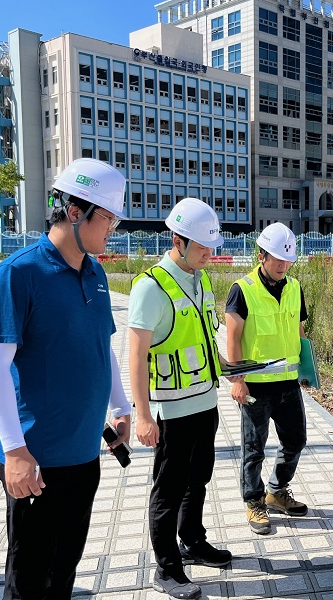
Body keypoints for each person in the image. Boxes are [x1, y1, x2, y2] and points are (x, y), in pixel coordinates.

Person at [0, 158, 132, 599]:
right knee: (30, 579)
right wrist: (15, 450)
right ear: (73, 211)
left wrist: (121, 409)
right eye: (108, 218)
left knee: (65, 568)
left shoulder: (96, 272)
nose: (112, 229)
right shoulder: (18, 274)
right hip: (36, 460)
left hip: (84, 454)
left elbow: (101, 347)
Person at [128, 198, 231, 598]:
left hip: (206, 402)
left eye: (211, 248)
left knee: (198, 480)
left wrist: (231, 367)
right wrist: (142, 415)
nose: (209, 255)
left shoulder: (201, 279)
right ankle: (167, 568)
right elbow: (137, 355)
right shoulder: (151, 287)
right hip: (170, 411)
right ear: (178, 239)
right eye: (203, 248)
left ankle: (193, 540)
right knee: (167, 489)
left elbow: (205, 336)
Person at [225, 222, 309, 535]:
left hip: (287, 383)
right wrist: (237, 379)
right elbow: (233, 338)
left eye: (288, 260)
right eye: (277, 259)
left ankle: (276, 491)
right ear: (261, 255)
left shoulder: (295, 287)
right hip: (256, 386)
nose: (283, 265)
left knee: (295, 441)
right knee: (254, 447)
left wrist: (306, 370)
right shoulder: (242, 289)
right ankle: (254, 500)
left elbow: (299, 331)